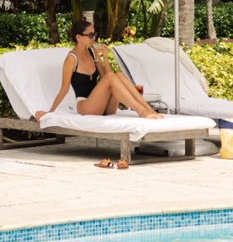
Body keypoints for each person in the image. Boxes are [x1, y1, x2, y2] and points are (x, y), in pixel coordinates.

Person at [34, 20, 166, 159]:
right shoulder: (71, 59)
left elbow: (106, 77)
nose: (94, 38)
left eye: (94, 34)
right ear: (78, 37)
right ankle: (142, 111)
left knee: (118, 75)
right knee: (111, 77)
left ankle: (147, 109)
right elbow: (64, 88)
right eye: (90, 35)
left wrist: (103, 58)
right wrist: (49, 112)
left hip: (104, 107)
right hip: (86, 105)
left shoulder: (92, 52)